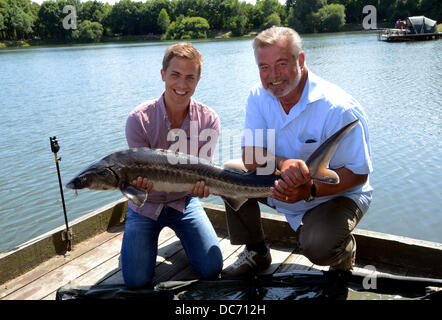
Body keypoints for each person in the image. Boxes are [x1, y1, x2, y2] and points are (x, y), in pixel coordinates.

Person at [221, 26, 373, 278]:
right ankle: (257, 251)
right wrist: (285, 163)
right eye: (264, 67)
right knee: (228, 174)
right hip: (280, 184)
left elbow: (358, 175)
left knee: (317, 245)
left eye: (281, 64)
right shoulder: (258, 96)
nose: (273, 76)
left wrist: (308, 189)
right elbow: (250, 157)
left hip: (335, 194)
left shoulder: (338, 108)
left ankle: (343, 252)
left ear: (300, 60)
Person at [121, 42, 223, 288]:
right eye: (175, 75)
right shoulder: (139, 119)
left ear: (199, 80)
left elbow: (205, 173)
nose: (181, 84)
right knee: (135, 280)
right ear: (163, 75)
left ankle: (184, 236)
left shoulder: (209, 120)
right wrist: (138, 185)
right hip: (146, 204)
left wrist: (202, 188)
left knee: (212, 268)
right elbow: (132, 179)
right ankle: (136, 246)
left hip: (185, 202)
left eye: (190, 77)